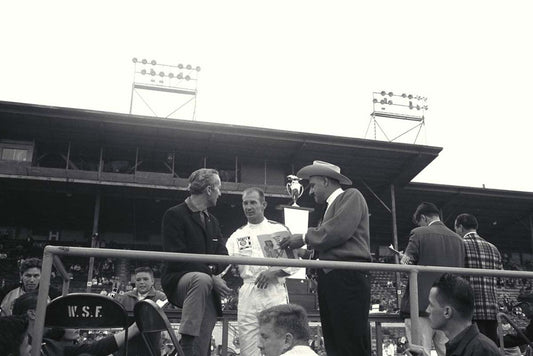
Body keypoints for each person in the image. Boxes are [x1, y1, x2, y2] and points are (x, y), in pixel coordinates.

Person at [279, 160, 372, 356]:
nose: (310, 192)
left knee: (349, 339)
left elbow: (338, 232)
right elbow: (333, 240)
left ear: (326, 181)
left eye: (313, 185)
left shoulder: (351, 195)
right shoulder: (330, 208)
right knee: (335, 338)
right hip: (333, 276)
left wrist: (304, 237)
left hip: (347, 276)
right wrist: (305, 253)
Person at [161, 168, 232, 356]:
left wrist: (210, 274)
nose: (220, 193)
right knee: (201, 280)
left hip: (205, 285)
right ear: (209, 189)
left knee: (203, 340)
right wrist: (211, 275)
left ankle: (193, 351)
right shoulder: (174, 214)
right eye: (218, 188)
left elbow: (223, 256)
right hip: (179, 281)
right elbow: (177, 255)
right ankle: (186, 343)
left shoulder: (213, 221)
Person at [226, 187, 298, 356]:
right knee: (248, 345)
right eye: (245, 203)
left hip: (273, 292)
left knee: (278, 343)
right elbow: (226, 266)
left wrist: (273, 272)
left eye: (253, 202)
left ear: (263, 204)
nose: (248, 207)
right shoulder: (237, 236)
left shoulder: (278, 230)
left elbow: (294, 263)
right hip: (248, 293)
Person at [399, 202, 465, 356]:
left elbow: (407, 266)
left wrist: (402, 258)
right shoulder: (458, 240)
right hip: (449, 308)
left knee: (420, 351)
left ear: (423, 217)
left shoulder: (419, 233)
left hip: (422, 306)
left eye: (420, 221)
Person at [12, 292, 140, 356]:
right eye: (49, 306)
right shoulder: (13, 346)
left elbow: (95, 349)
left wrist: (134, 328)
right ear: (33, 313)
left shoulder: (47, 344)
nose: (53, 310)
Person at [407, 273, 500, 356]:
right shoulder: (463, 346)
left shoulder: (481, 350)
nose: (427, 310)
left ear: (447, 312)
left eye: (431, 305)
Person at [454, 213, 503, 344]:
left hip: (470, 309)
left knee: (472, 348)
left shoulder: (460, 245)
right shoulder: (494, 249)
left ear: (460, 227)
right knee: (490, 347)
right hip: (492, 309)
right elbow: (500, 279)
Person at [115, 266, 168, 356]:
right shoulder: (125, 297)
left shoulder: (161, 297)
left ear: (152, 281)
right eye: (138, 280)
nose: (142, 282)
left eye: (145, 279)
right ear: (135, 282)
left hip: (150, 347)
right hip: (127, 347)